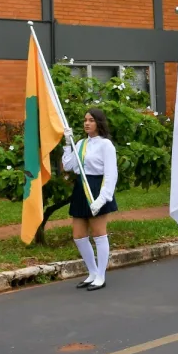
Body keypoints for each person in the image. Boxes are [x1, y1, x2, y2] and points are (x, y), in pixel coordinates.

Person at [62, 108, 118, 292]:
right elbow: (68, 166)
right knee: (78, 235)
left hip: (96, 188)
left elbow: (111, 175)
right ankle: (92, 272)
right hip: (81, 188)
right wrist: (67, 144)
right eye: (85, 120)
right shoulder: (80, 143)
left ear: (99, 123)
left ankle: (101, 275)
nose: (87, 123)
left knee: (99, 233)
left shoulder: (106, 145)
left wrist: (102, 199)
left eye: (91, 120)